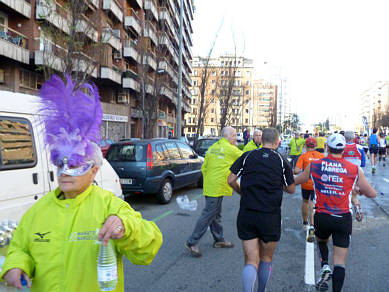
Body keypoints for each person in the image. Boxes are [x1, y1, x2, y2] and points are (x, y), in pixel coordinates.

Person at [0, 75, 163, 291]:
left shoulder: (109, 205)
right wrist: (15, 267)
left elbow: (149, 246)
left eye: (75, 164)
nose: (65, 171)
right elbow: (20, 248)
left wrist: (126, 227)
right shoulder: (38, 211)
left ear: (94, 170)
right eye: (60, 162)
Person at [295, 133, 376, 292]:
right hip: (343, 217)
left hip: (322, 216)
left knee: (322, 240)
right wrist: (358, 191)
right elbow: (372, 193)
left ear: (326, 147)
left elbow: (296, 180)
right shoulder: (354, 169)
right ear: (344, 149)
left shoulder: (315, 165)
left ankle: (324, 265)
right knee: (340, 262)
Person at [227, 127, 295, 292]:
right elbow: (291, 189)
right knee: (266, 258)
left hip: (247, 213)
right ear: (278, 142)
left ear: (261, 139)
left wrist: (241, 191)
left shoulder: (248, 155)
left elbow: (230, 180)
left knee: (251, 260)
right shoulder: (281, 160)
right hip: (270, 216)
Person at [185, 126, 242, 257]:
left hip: (210, 185)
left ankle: (219, 239)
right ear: (226, 136)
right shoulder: (230, 149)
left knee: (215, 215)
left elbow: (204, 168)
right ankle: (192, 242)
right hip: (217, 187)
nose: (236, 138)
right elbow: (247, 158)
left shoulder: (213, 148)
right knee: (208, 215)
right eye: (234, 136)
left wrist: (211, 180)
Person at [294, 137, 324, 240]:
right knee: (313, 204)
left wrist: (295, 170)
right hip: (317, 184)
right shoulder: (321, 156)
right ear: (315, 146)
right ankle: (312, 226)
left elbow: (297, 171)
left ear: (306, 146)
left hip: (305, 184)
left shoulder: (303, 156)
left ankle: (305, 222)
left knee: (305, 202)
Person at [342, 131, 366, 221]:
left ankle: (348, 211)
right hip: (357, 173)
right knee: (354, 195)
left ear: (344, 138)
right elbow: (363, 163)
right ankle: (358, 209)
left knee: (345, 194)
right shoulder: (360, 147)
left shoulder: (342, 147)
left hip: (345, 173)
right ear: (354, 137)